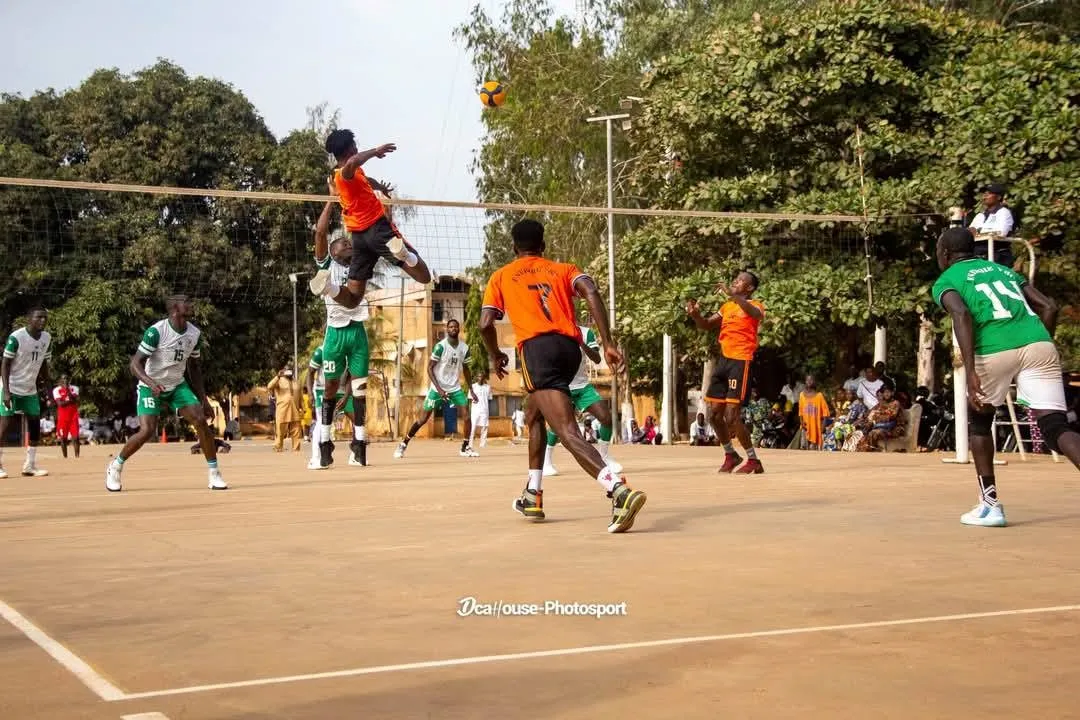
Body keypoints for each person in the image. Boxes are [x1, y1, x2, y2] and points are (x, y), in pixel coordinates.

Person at [479, 218, 647, 533]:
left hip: (537, 351)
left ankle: (618, 491)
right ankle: (533, 493)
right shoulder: (563, 269)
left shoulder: (501, 276)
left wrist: (496, 354)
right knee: (533, 416)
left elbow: (485, 323)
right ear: (543, 246)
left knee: (568, 431)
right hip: (569, 350)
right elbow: (592, 291)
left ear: (514, 247)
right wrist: (608, 343)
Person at [933, 226, 1079, 527]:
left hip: (993, 350)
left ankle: (990, 506)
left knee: (980, 423)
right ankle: (989, 505)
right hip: (1039, 343)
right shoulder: (1003, 270)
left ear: (945, 254)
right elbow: (1048, 306)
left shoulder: (947, 280)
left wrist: (971, 369)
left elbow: (961, 314)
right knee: (1054, 427)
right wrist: (1037, 342)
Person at [105, 295, 227, 492]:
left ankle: (214, 473)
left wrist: (203, 399)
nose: (191, 304)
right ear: (175, 309)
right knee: (147, 431)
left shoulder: (194, 334)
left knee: (200, 420)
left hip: (177, 385)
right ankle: (115, 466)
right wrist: (150, 383)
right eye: (187, 302)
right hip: (150, 386)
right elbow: (134, 364)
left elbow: (194, 368)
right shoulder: (156, 332)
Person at [309, 129, 431, 310]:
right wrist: (375, 151)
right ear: (350, 149)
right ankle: (403, 254)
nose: (357, 147)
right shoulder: (344, 174)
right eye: (355, 145)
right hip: (378, 230)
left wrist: (380, 187)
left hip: (359, 240)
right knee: (424, 276)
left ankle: (329, 288)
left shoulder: (348, 175)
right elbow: (352, 163)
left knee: (352, 300)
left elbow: (366, 179)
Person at [310, 184, 372, 468]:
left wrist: (381, 201)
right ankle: (325, 441)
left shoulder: (360, 261)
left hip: (357, 330)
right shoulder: (326, 263)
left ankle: (359, 445)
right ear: (333, 253)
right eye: (343, 244)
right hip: (334, 333)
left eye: (349, 243)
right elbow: (321, 232)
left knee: (360, 390)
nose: (348, 244)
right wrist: (332, 199)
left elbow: (375, 232)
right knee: (331, 388)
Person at [686, 271, 766, 474]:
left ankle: (753, 460)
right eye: (735, 279)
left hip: (741, 361)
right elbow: (705, 325)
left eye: (740, 281)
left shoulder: (755, 305)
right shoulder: (727, 306)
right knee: (713, 414)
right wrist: (696, 315)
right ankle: (731, 454)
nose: (735, 282)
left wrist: (733, 295)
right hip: (724, 361)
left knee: (731, 416)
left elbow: (754, 314)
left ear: (749, 288)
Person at [542, 322, 623, 476]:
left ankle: (604, 456)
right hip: (561, 386)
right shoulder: (552, 331)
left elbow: (597, 358)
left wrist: (580, 341)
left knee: (606, 418)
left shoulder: (586, 333)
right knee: (557, 426)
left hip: (582, 386)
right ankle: (546, 461)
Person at [394, 319, 480, 459]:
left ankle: (465, 447)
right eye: (451, 327)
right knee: (422, 420)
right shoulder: (441, 347)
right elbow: (429, 368)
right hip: (437, 388)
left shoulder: (464, 348)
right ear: (447, 329)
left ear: (459, 329)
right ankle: (403, 444)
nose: (453, 329)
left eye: (456, 327)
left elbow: (466, 369)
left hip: (455, 388)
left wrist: (471, 389)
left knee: (466, 415)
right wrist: (439, 389)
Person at [0, 307, 51, 478]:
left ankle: (29, 465)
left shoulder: (47, 338)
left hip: (30, 388)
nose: (43, 320)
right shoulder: (16, 337)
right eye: (39, 317)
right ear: (29, 318)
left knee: (35, 423)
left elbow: (44, 364)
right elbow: (5, 364)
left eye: (45, 317)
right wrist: (6, 392)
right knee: (5, 426)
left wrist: (48, 389)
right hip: (12, 386)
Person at [305, 344, 353, 470]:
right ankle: (315, 458)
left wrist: (346, 396)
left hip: (341, 391)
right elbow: (310, 372)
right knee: (322, 421)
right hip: (323, 389)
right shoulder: (321, 351)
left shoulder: (348, 354)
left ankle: (332, 454)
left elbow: (350, 376)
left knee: (332, 423)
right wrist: (310, 394)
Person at [266, 367, 303, 452]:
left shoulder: (296, 382)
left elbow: (300, 397)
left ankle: (296, 448)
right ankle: (278, 447)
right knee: (280, 430)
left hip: (295, 409)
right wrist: (277, 376)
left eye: (290, 370)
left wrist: (302, 408)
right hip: (282, 409)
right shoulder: (279, 380)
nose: (289, 372)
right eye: (287, 370)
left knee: (296, 430)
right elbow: (269, 386)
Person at [52, 375, 82, 459]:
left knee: (76, 438)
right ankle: (65, 457)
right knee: (63, 439)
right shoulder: (56, 390)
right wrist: (70, 400)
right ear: (60, 380)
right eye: (63, 378)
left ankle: (77, 457)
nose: (65, 380)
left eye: (67, 378)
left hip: (73, 416)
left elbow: (77, 401)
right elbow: (60, 404)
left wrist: (68, 391)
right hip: (63, 418)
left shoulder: (75, 388)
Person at [798, 375, 831, 450]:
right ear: (805, 382)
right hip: (805, 427)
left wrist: (823, 426)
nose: (809, 381)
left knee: (813, 448)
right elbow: (800, 411)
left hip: (815, 427)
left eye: (811, 380)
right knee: (803, 447)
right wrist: (801, 422)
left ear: (814, 382)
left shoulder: (819, 396)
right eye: (807, 380)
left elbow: (825, 414)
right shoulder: (801, 395)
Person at [469, 372, 493, 448]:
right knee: (472, 427)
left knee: (484, 427)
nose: (481, 378)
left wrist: (487, 409)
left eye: (482, 377)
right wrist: (470, 411)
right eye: (479, 376)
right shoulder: (472, 387)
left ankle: (482, 444)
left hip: (484, 410)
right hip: (475, 411)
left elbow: (489, 399)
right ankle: (470, 444)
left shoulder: (488, 387)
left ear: (484, 378)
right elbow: (469, 400)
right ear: (477, 377)